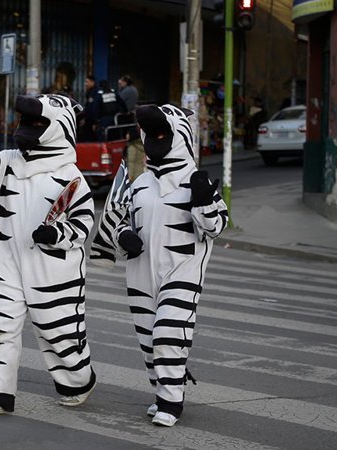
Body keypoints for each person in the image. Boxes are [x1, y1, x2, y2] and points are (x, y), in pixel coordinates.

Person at [0, 94, 97, 418]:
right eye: (26, 122)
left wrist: (57, 235)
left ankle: (78, 381)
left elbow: (84, 224)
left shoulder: (71, 177)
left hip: (53, 272)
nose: (27, 128)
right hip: (5, 264)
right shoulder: (8, 162)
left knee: (58, 331)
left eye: (37, 123)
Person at [111, 104, 227, 427]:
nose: (157, 139)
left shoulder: (195, 182)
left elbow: (216, 226)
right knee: (149, 338)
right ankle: (162, 390)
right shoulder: (140, 185)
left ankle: (171, 401)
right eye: (151, 134)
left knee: (168, 334)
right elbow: (120, 224)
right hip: (140, 272)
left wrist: (204, 200)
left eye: (164, 133)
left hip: (182, 270)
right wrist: (124, 238)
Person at [78, 75, 98, 141]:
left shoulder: (95, 92)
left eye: (87, 82)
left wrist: (86, 119)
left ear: (92, 82)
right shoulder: (90, 92)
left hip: (91, 120)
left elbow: (92, 108)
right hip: (89, 119)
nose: (85, 84)